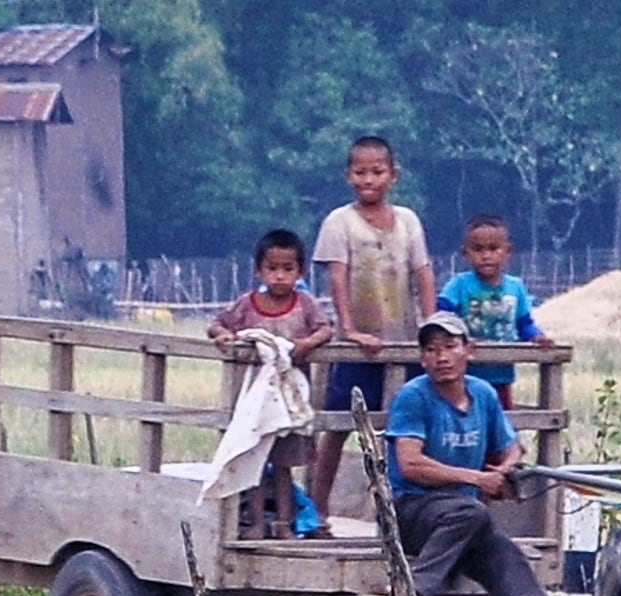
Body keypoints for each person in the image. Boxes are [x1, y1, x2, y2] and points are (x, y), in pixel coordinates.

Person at [309, 135, 437, 519]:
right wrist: (348, 330)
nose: (369, 180)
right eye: (361, 172)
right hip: (360, 344)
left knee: (409, 429)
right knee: (338, 425)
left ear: (393, 175)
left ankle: (406, 512)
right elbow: (338, 278)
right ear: (349, 176)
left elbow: (423, 274)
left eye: (377, 172)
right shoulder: (340, 222)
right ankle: (317, 509)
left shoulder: (408, 221)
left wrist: (431, 327)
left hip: (404, 339)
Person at [385, 312, 551, 596]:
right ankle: (416, 587)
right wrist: (477, 479)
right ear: (422, 359)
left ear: (468, 350)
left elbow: (513, 447)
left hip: (465, 517)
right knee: (471, 513)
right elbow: (410, 464)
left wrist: (504, 470)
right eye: (432, 350)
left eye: (450, 347)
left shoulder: (483, 394)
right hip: (411, 510)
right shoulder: (413, 396)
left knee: (507, 555)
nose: (442, 358)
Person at [208, 228, 333, 538]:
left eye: (288, 269)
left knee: (284, 464)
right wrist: (223, 337)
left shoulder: (304, 305)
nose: (279, 276)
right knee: (253, 460)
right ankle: (257, 523)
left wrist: (306, 344)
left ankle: (283, 524)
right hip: (255, 401)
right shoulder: (247, 305)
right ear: (259, 270)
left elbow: (325, 329)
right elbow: (217, 324)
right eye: (272, 268)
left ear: (300, 271)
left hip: (290, 401)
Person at [436, 214, 554, 410]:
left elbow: (524, 324)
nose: (486, 255)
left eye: (493, 248)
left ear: (507, 252)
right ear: (465, 253)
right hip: (464, 376)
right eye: (478, 249)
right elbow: (441, 316)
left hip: (501, 375)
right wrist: (459, 338)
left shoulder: (515, 287)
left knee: (500, 427)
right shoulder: (459, 285)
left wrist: (537, 337)